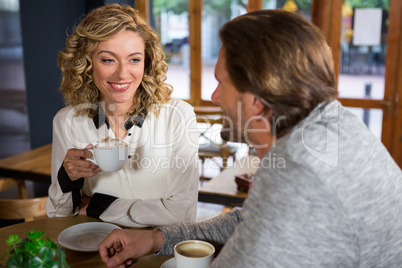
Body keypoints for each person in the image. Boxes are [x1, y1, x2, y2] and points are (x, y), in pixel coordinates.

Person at [98, 9, 402, 267]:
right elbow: (254, 221)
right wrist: (156, 238)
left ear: (256, 97)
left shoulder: (301, 176)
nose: (215, 97)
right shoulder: (333, 123)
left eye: (221, 83)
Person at [46, 4, 199, 228]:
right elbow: (59, 216)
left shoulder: (178, 116)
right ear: (87, 63)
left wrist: (98, 206)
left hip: (156, 254)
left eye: (134, 59)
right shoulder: (67, 121)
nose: (122, 73)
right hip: (94, 249)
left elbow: (182, 215)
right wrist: (67, 179)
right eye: (108, 60)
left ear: (146, 63)